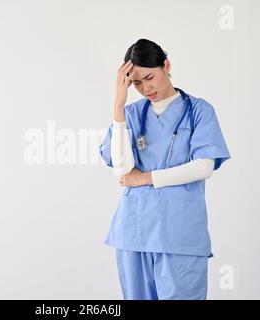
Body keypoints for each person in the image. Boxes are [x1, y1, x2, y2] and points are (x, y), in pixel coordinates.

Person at [99, 39, 231, 300]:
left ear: (166, 66)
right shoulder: (131, 114)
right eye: (136, 83)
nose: (145, 88)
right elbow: (122, 168)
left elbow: (204, 167)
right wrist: (118, 106)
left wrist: (146, 178)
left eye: (149, 77)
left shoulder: (199, 111)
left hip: (179, 232)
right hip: (134, 232)